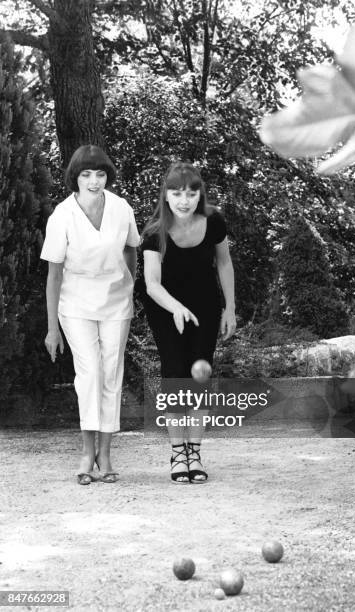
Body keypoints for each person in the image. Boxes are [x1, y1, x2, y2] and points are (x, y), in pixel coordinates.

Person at [41, 144, 140, 485]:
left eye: (100, 174)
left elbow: (131, 250)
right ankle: (87, 451)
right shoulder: (62, 215)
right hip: (76, 305)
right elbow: (54, 276)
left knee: (111, 372)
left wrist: (128, 288)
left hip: (116, 304)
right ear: (76, 178)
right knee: (90, 374)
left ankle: (107, 454)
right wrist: (52, 329)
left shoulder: (121, 208)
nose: (94, 181)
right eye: (86, 174)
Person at [141, 161, 236, 484]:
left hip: (206, 306)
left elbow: (224, 263)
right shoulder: (154, 232)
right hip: (165, 309)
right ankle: (177, 452)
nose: (184, 200)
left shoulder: (214, 221)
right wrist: (176, 308)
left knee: (199, 376)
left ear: (199, 195)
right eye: (177, 193)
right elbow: (152, 284)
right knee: (174, 374)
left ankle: (194, 452)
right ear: (166, 196)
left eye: (191, 193)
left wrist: (230, 308)